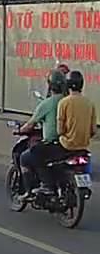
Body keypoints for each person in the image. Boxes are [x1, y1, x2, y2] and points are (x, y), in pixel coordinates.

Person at [33, 69, 97, 197]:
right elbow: (93, 131)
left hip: (66, 145)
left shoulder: (64, 102)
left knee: (37, 152)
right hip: (83, 147)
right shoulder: (90, 104)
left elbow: (60, 130)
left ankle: (47, 185)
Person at [16, 70, 67, 198]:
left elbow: (30, 125)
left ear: (50, 85)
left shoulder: (47, 104)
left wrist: (20, 130)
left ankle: (45, 186)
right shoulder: (68, 101)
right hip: (68, 143)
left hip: (53, 144)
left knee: (26, 157)